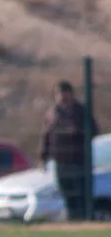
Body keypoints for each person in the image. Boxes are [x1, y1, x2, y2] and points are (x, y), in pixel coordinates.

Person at [41, 81, 99, 221]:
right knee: (66, 192)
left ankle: (86, 219)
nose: (61, 97)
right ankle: (72, 219)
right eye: (58, 93)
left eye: (64, 93)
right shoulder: (52, 113)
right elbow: (46, 136)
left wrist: (77, 132)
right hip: (61, 160)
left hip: (78, 159)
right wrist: (43, 156)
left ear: (70, 94)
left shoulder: (81, 111)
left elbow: (94, 130)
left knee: (81, 192)